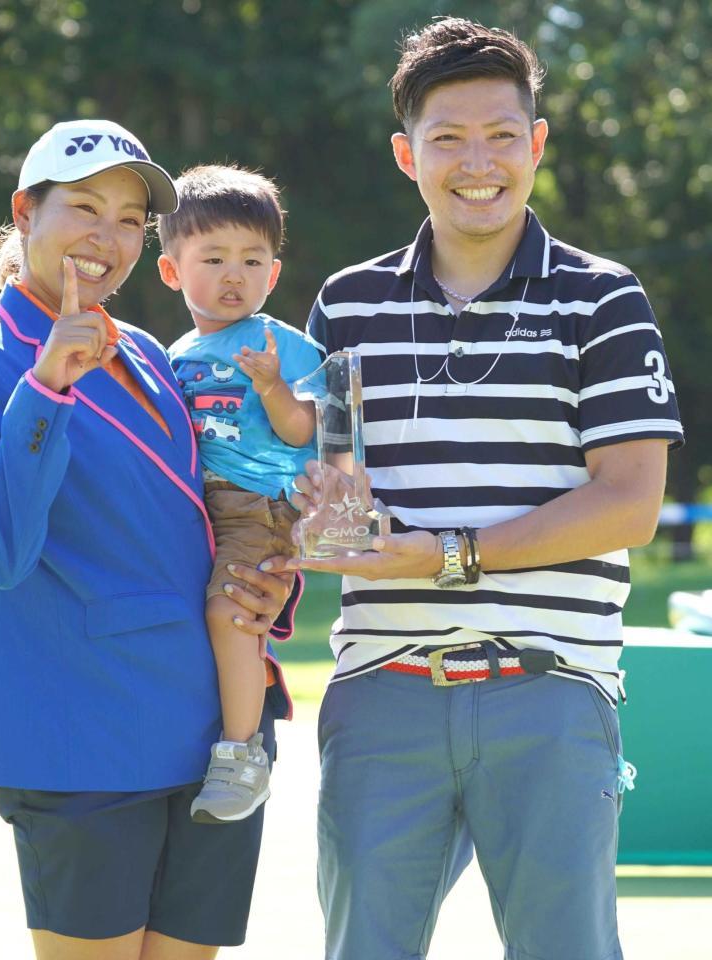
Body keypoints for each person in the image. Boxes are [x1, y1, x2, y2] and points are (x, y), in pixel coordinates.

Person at [291, 18, 684, 960]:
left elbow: (629, 501)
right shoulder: (346, 305)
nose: (479, 162)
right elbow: (328, 483)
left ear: (537, 144)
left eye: (503, 135)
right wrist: (303, 530)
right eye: (448, 138)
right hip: (382, 691)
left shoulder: (603, 298)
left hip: (549, 688)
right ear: (405, 154)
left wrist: (448, 556)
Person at [0, 119, 298, 960]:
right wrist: (46, 386)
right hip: (80, 736)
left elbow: (198, 510)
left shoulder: (147, 349)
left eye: (130, 219)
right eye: (85, 208)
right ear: (25, 213)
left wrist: (265, 581)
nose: (108, 237)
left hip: (209, 733)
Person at [156, 165, 318, 823]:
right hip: (196, 509)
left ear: (272, 274)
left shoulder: (283, 344)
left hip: (257, 503)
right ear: (172, 271)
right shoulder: (175, 352)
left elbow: (306, 429)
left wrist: (274, 385)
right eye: (214, 257)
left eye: (252, 260)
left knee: (233, 615)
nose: (234, 275)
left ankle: (241, 752)